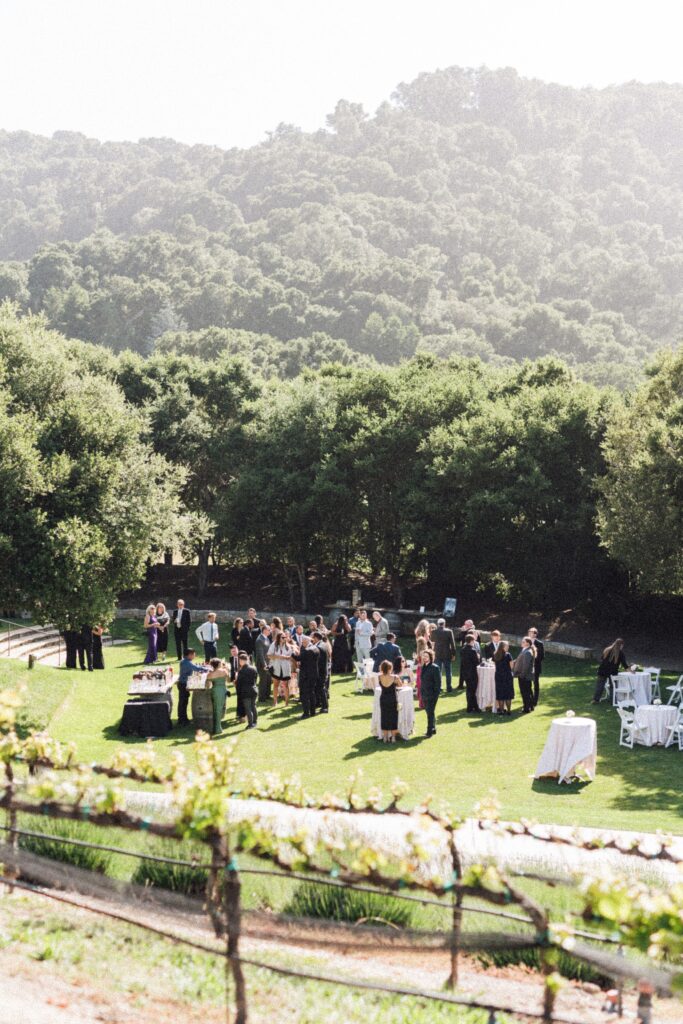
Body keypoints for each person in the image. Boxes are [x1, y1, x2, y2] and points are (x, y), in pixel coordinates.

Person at [592, 638, 628, 703]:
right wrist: (630, 670)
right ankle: (612, 700)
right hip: (612, 671)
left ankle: (595, 699)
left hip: (603, 670)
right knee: (613, 686)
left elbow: (602, 658)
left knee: (600, 686)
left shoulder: (607, 650)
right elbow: (625, 665)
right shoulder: (620, 653)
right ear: (621, 645)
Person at [177, 647, 205, 725]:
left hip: (181, 683)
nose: (194, 656)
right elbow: (196, 668)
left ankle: (182, 718)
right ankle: (182, 720)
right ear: (189, 655)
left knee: (183, 702)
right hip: (183, 684)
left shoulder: (184, 661)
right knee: (183, 702)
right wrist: (207, 669)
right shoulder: (187, 663)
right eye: (193, 655)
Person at [294, 635, 319, 718]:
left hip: (306, 676)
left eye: (303, 642)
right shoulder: (315, 648)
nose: (302, 644)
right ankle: (312, 712)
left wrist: (291, 653)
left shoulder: (307, 650)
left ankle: (306, 713)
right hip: (314, 674)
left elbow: (298, 658)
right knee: (312, 693)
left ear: (307, 642)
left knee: (305, 695)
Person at [205, 657, 231, 736]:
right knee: (220, 708)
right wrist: (228, 670)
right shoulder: (224, 671)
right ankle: (217, 728)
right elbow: (229, 680)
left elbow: (207, 685)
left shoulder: (210, 674)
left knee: (216, 709)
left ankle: (216, 727)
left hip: (215, 690)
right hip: (223, 690)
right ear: (219, 664)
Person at [268, 630, 294, 707]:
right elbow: (269, 655)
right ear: (279, 638)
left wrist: (286, 657)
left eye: (285, 637)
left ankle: (286, 702)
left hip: (285, 668)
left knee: (286, 685)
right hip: (276, 668)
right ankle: (275, 702)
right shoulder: (274, 645)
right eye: (283, 637)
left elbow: (291, 657)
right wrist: (278, 656)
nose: (284, 638)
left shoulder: (288, 646)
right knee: (276, 685)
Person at [420, 650, 441, 738]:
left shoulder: (435, 667)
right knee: (429, 712)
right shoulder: (423, 666)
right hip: (424, 693)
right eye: (423, 656)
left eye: (426, 656)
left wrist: (435, 695)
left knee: (430, 713)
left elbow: (438, 683)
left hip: (432, 694)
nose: (424, 658)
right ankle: (433, 728)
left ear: (430, 657)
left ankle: (429, 732)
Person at [377, 659, 399, 743]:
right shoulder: (395, 677)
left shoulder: (379, 677)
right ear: (390, 668)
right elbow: (400, 685)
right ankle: (393, 737)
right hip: (392, 698)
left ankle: (385, 737)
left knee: (384, 717)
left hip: (383, 698)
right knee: (393, 717)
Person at [433, 617, 457, 693]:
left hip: (437, 653)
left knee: (438, 672)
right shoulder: (449, 631)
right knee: (448, 672)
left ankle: (438, 687)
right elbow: (453, 644)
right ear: (444, 623)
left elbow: (432, 641)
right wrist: (453, 654)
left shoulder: (434, 632)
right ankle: (449, 687)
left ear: (438, 624)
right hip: (447, 654)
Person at [235, 653, 258, 729]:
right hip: (254, 689)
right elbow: (255, 679)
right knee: (253, 706)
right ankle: (255, 722)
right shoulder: (254, 668)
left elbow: (239, 683)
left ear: (241, 660)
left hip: (245, 691)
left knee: (248, 708)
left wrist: (238, 692)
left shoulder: (242, 671)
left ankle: (250, 724)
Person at [515, 637, 536, 713]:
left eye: (523, 641)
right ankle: (530, 706)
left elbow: (526, 666)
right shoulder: (525, 650)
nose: (521, 642)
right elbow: (519, 660)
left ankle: (526, 708)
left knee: (525, 692)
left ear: (527, 643)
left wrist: (522, 675)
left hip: (525, 676)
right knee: (528, 691)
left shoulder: (527, 652)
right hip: (525, 676)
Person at [461, 634, 481, 712]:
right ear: (472, 641)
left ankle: (471, 707)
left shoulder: (463, 649)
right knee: (472, 691)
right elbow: (476, 663)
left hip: (465, 672)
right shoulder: (473, 650)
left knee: (469, 690)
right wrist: (478, 657)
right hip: (472, 673)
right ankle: (473, 707)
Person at [311, 631, 330, 712]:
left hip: (320, 671)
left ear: (316, 638)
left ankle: (325, 707)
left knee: (321, 689)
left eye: (312, 637)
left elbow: (318, 661)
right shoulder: (323, 644)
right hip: (323, 670)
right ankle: (318, 703)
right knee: (319, 688)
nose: (311, 639)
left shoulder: (319, 647)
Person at [494, 641, 514, 715]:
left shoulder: (495, 654)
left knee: (500, 694)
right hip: (507, 676)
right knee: (508, 694)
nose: (508, 647)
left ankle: (501, 711)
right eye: (507, 646)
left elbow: (495, 665)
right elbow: (511, 666)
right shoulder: (508, 655)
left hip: (498, 676)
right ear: (503, 647)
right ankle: (508, 711)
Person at [254, 624, 272, 702]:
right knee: (263, 680)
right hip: (262, 664)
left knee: (268, 680)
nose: (270, 631)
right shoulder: (259, 640)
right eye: (269, 630)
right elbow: (260, 654)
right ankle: (261, 698)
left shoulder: (267, 638)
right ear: (264, 630)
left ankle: (267, 695)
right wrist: (264, 664)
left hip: (268, 662)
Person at [528, 627, 544, 708]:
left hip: (536, 667)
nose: (530, 634)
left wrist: (534, 658)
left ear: (535, 634)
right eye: (529, 632)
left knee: (536, 684)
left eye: (531, 633)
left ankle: (535, 700)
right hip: (528, 667)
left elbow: (542, 657)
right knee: (528, 684)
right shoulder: (527, 642)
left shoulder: (539, 643)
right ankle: (530, 699)